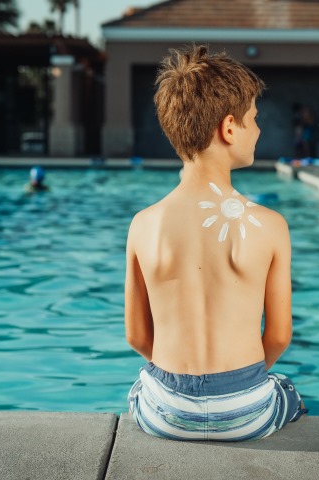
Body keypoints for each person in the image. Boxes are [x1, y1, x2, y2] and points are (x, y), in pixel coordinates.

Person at [126, 45, 308, 441]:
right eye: (253, 120)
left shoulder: (143, 225)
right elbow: (278, 336)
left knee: (142, 387)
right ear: (229, 128)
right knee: (288, 391)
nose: (258, 130)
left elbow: (137, 336)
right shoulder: (270, 225)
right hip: (246, 413)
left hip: (166, 413)